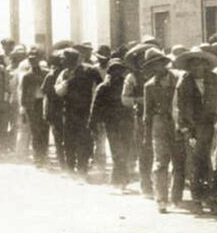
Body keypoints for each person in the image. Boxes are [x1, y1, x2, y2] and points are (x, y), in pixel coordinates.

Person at [176, 47, 217, 214]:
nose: (197, 68)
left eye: (200, 65)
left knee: (212, 163)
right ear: (189, 68)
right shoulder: (184, 83)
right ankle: (197, 198)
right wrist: (186, 129)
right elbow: (180, 108)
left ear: (206, 65)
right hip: (193, 127)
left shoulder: (215, 80)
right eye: (194, 65)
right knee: (195, 162)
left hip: (212, 125)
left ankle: (212, 198)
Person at [141, 49, 178, 212]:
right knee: (161, 161)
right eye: (153, 66)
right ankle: (161, 198)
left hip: (178, 122)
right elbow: (147, 112)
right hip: (160, 123)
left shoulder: (178, 79)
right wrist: (147, 134)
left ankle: (176, 197)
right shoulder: (149, 86)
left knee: (180, 161)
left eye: (159, 63)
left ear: (164, 63)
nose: (157, 68)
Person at [90, 57, 134, 187]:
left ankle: (118, 179)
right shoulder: (103, 87)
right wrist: (94, 122)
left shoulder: (127, 85)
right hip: (112, 123)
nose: (116, 72)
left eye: (119, 69)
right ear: (110, 71)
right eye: (114, 70)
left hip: (126, 121)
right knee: (116, 151)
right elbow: (96, 106)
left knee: (125, 150)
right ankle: (120, 179)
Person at [53, 48, 96, 174]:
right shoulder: (64, 73)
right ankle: (70, 169)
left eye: (65, 59)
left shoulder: (89, 71)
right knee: (69, 141)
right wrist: (67, 81)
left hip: (85, 112)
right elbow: (59, 91)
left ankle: (82, 169)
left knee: (84, 140)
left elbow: (95, 90)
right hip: (69, 112)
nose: (62, 62)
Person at [121, 43, 154, 197]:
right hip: (141, 117)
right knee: (144, 150)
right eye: (141, 58)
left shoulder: (159, 74)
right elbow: (125, 99)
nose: (143, 61)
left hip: (161, 117)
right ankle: (145, 183)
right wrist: (142, 100)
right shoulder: (132, 77)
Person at [20, 47, 50, 165]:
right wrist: (23, 109)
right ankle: (38, 156)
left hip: (44, 103)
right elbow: (23, 94)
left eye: (35, 58)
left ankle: (44, 154)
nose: (33, 60)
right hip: (32, 106)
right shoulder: (27, 76)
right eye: (30, 59)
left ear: (39, 59)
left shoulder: (46, 73)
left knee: (45, 130)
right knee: (35, 131)